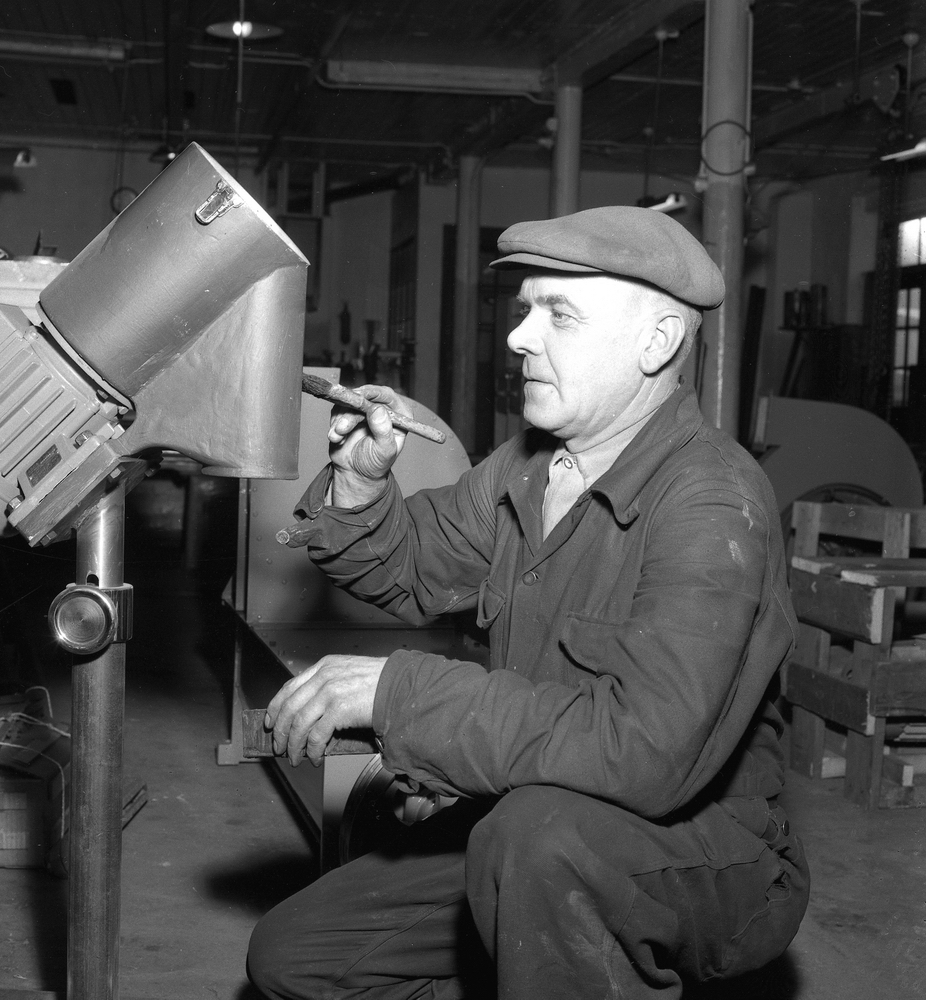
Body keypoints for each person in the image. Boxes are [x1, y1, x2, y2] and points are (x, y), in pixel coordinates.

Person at [248, 206, 809, 999]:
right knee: (295, 957)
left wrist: (400, 694)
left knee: (535, 839)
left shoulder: (712, 504)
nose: (518, 337)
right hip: (542, 809)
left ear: (656, 343)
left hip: (703, 848)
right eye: (524, 310)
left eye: (559, 314)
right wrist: (361, 484)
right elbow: (411, 567)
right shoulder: (529, 465)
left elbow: (645, 753)